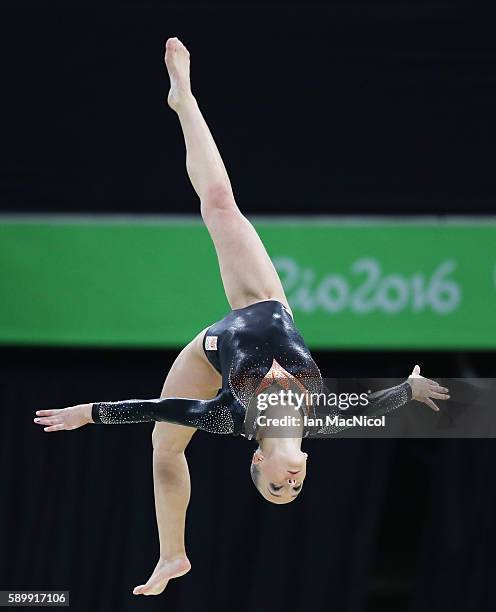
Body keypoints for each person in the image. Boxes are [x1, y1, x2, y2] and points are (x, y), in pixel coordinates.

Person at [33, 37, 450, 595]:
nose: (290, 485)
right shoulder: (321, 417)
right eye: (295, 491)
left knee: (164, 442)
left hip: (209, 347)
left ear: (258, 461)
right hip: (265, 303)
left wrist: (90, 412)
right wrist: (413, 387)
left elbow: (162, 406)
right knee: (223, 203)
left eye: (276, 488)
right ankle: (184, 100)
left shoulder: (233, 417)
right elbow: (377, 403)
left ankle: (171, 554)